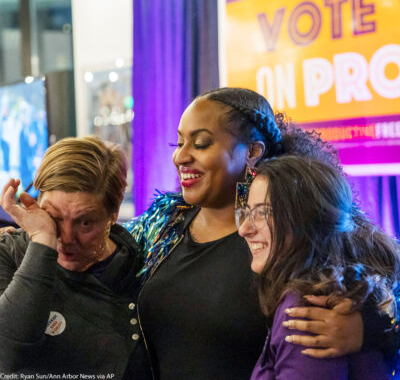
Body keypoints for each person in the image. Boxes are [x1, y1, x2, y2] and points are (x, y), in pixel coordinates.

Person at [124, 87, 398, 379]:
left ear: (253, 151)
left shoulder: (294, 238)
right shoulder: (164, 225)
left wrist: (372, 327)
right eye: (178, 143)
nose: (181, 156)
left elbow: (383, 289)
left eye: (201, 143)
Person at [0, 136, 151, 378]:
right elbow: (7, 357)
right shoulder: (9, 253)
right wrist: (42, 241)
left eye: (85, 222)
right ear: (36, 204)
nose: (66, 238)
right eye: (54, 218)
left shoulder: (142, 270)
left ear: (114, 212)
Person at [237, 155, 400, 379]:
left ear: (304, 218)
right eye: (246, 213)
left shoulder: (307, 309)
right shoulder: (350, 288)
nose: (244, 229)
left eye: (263, 212)